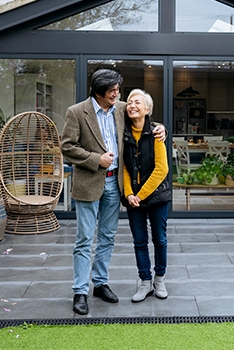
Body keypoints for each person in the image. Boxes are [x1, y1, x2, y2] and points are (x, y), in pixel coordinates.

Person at [61, 69, 165, 315]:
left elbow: (143, 119)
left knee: (107, 237)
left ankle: (100, 284)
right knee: (85, 239)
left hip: (114, 184)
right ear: (99, 92)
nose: (118, 94)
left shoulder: (121, 109)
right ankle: (79, 291)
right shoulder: (76, 112)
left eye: (119, 90)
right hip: (89, 182)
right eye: (113, 91)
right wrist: (96, 159)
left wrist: (161, 128)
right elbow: (67, 147)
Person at [121, 89, 172, 303]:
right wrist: (129, 194)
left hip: (156, 197)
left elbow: (162, 169)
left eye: (137, 102)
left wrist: (139, 195)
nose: (132, 105)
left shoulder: (156, 134)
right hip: (134, 198)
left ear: (147, 109)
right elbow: (124, 167)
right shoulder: (122, 133)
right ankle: (144, 282)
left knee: (159, 239)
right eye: (130, 102)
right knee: (139, 241)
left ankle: (159, 280)